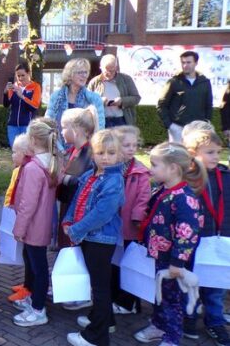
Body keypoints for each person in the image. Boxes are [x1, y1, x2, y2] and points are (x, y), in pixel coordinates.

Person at [134, 142, 205, 346]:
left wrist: (177, 262)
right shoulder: (163, 190)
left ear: (173, 168)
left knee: (172, 300)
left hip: (173, 261)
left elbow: (188, 233)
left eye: (155, 164)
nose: (150, 169)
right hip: (160, 255)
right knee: (159, 293)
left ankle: (172, 338)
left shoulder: (184, 198)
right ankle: (158, 324)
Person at [62, 130, 125, 346]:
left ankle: (96, 336)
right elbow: (76, 201)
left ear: (119, 155)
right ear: (93, 154)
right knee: (98, 284)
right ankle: (105, 320)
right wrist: (68, 221)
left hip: (100, 239)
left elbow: (102, 213)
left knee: (99, 286)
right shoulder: (89, 175)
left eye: (111, 153)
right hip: (88, 237)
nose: (105, 157)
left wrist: (77, 229)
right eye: (100, 152)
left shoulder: (114, 180)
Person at [182, 129, 230, 345]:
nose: (216, 156)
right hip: (195, 241)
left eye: (218, 152)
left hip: (219, 239)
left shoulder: (225, 176)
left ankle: (215, 322)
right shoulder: (186, 177)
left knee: (215, 287)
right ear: (193, 153)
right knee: (190, 282)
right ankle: (188, 319)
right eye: (210, 152)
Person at [11, 119, 60, 327]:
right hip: (42, 223)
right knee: (37, 266)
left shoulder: (33, 168)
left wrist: (19, 228)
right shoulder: (52, 162)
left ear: (32, 140)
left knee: (38, 268)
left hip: (33, 226)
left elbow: (27, 204)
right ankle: (35, 301)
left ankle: (38, 309)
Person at [111, 126, 151, 315]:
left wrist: (137, 217)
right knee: (114, 264)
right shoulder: (112, 168)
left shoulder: (141, 172)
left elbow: (144, 198)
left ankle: (129, 302)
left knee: (129, 264)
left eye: (134, 145)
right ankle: (115, 296)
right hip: (113, 226)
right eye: (126, 145)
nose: (131, 149)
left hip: (129, 227)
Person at [57, 107, 97, 256]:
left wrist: (62, 178)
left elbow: (77, 182)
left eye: (64, 127)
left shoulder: (88, 154)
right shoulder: (76, 150)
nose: (62, 132)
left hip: (75, 212)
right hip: (68, 208)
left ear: (76, 130)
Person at [45, 58, 105, 146]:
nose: (84, 76)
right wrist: (59, 149)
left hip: (85, 150)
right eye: (80, 72)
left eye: (86, 72)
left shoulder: (95, 99)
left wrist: (87, 150)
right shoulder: (56, 96)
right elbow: (48, 124)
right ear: (70, 75)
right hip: (59, 148)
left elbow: (99, 128)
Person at [157, 50, 213, 143]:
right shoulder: (174, 82)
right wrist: (170, 125)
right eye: (183, 62)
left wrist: (206, 123)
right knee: (178, 156)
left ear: (196, 63)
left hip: (198, 129)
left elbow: (208, 105)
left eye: (188, 62)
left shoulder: (205, 82)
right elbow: (161, 105)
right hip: (178, 128)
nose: (185, 65)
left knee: (197, 156)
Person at [6, 133, 34, 303]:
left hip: (30, 225)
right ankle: (27, 284)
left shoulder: (29, 171)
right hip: (21, 218)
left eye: (16, 152)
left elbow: (27, 200)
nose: (12, 155)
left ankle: (30, 289)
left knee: (32, 258)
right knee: (26, 254)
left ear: (26, 153)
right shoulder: (20, 170)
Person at [87, 54, 141, 128]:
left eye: (112, 70)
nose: (109, 73)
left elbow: (136, 98)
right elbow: (86, 102)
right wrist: (99, 101)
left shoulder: (126, 79)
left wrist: (122, 101)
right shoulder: (94, 82)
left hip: (121, 120)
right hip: (102, 120)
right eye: (106, 70)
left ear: (116, 68)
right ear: (101, 68)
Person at [3, 59, 42, 146]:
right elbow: (6, 104)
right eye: (18, 76)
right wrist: (5, 93)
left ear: (29, 74)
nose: (20, 78)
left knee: (26, 150)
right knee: (15, 150)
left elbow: (34, 107)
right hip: (12, 125)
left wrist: (22, 97)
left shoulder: (35, 87)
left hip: (26, 125)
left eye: (23, 75)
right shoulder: (14, 86)